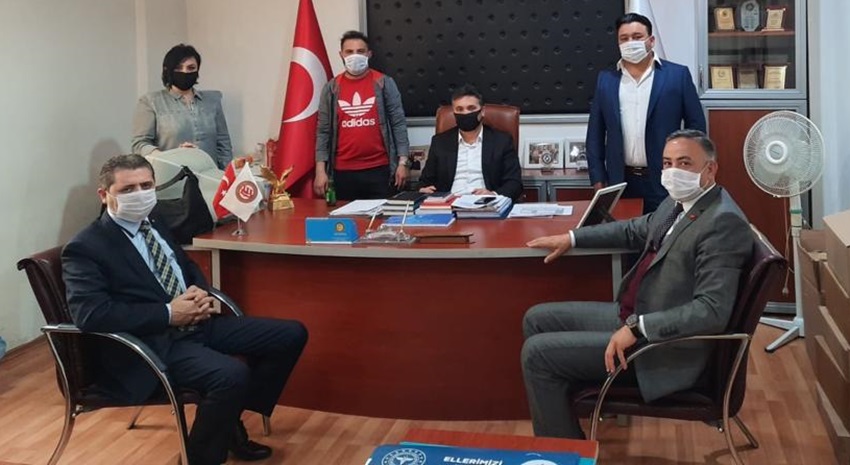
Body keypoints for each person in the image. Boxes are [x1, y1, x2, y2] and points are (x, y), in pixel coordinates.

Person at [62, 154, 308, 465]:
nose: (140, 194)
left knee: (290, 335)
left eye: (146, 185)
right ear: (104, 194)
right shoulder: (87, 247)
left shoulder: (154, 220)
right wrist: (168, 313)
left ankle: (226, 421)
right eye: (128, 189)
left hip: (195, 323)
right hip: (152, 342)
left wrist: (200, 292)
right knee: (231, 375)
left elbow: (185, 265)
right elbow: (91, 315)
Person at [521, 130, 753, 439]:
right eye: (667, 163)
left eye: (684, 163)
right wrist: (572, 238)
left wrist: (638, 328)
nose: (673, 172)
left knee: (538, 355)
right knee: (537, 318)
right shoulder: (680, 202)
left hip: (662, 348)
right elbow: (634, 230)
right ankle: (569, 412)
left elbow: (711, 311)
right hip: (637, 315)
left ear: (710, 169)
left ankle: (565, 454)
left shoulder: (722, 222)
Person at [586, 13, 706, 214]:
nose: (630, 43)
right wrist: (598, 179)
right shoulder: (606, 80)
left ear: (651, 41)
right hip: (620, 182)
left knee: (665, 231)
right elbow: (595, 135)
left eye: (637, 37)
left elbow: (697, 127)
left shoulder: (677, 76)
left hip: (666, 179)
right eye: (624, 38)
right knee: (625, 232)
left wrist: (688, 170)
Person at [314, 30, 410, 200]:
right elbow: (323, 131)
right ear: (341, 55)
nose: (355, 56)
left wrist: (403, 163)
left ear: (369, 54)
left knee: (381, 215)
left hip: (380, 170)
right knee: (346, 216)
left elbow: (398, 124)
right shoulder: (331, 88)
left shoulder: (384, 83)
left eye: (360, 51)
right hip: (343, 172)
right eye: (349, 52)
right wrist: (320, 171)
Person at [132, 44, 233, 169]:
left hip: (210, 174)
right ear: (168, 70)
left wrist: (226, 175)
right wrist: (171, 156)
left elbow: (223, 143)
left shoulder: (212, 100)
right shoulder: (150, 102)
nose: (185, 72)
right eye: (179, 68)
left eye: (191, 68)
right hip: (170, 174)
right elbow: (140, 144)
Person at [418, 85, 523, 201]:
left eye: (471, 108)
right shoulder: (440, 142)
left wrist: (493, 194)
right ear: (454, 113)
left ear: (482, 111)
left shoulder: (502, 141)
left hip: (485, 203)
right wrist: (423, 189)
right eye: (459, 109)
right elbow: (425, 181)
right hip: (448, 204)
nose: (465, 113)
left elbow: (514, 183)